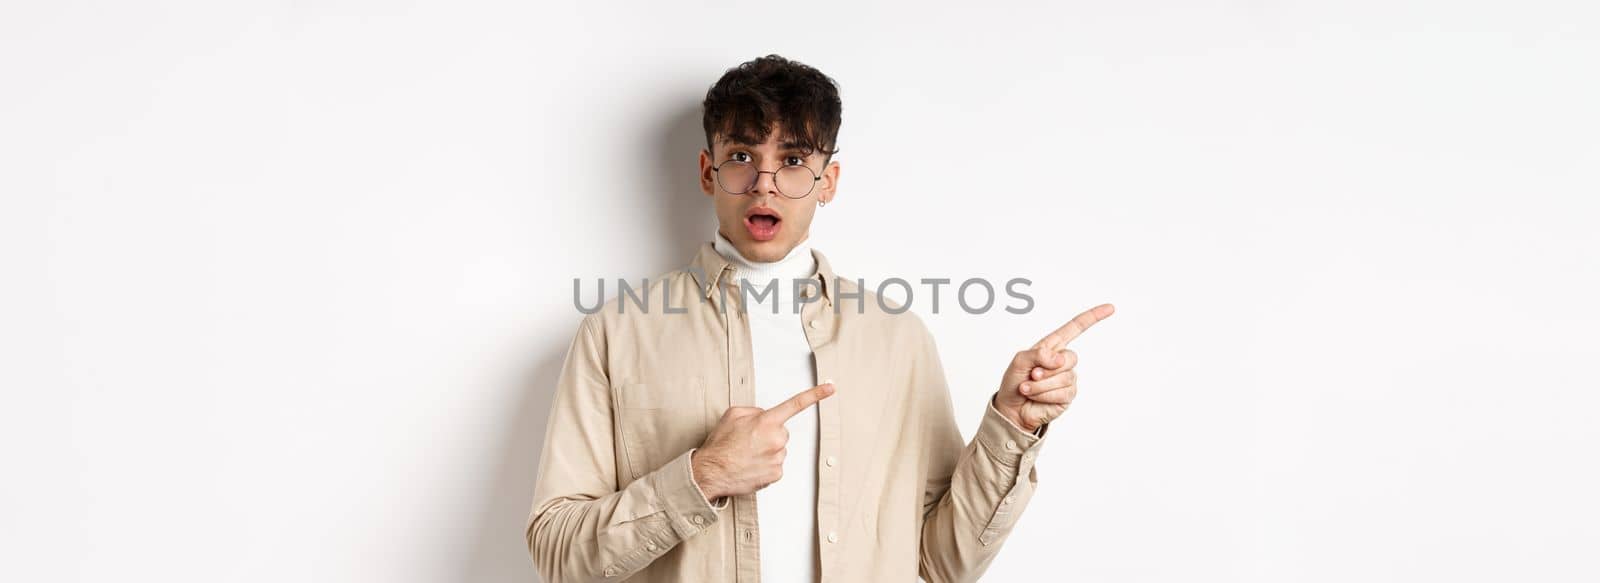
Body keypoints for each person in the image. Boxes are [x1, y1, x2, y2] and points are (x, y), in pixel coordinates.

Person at [525, 54, 1114, 583]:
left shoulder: (895, 339)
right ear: (708, 172)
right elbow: (556, 552)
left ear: (827, 181)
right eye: (740, 157)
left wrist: (1010, 424)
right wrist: (703, 476)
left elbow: (943, 563)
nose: (764, 184)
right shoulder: (617, 333)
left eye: (794, 160)